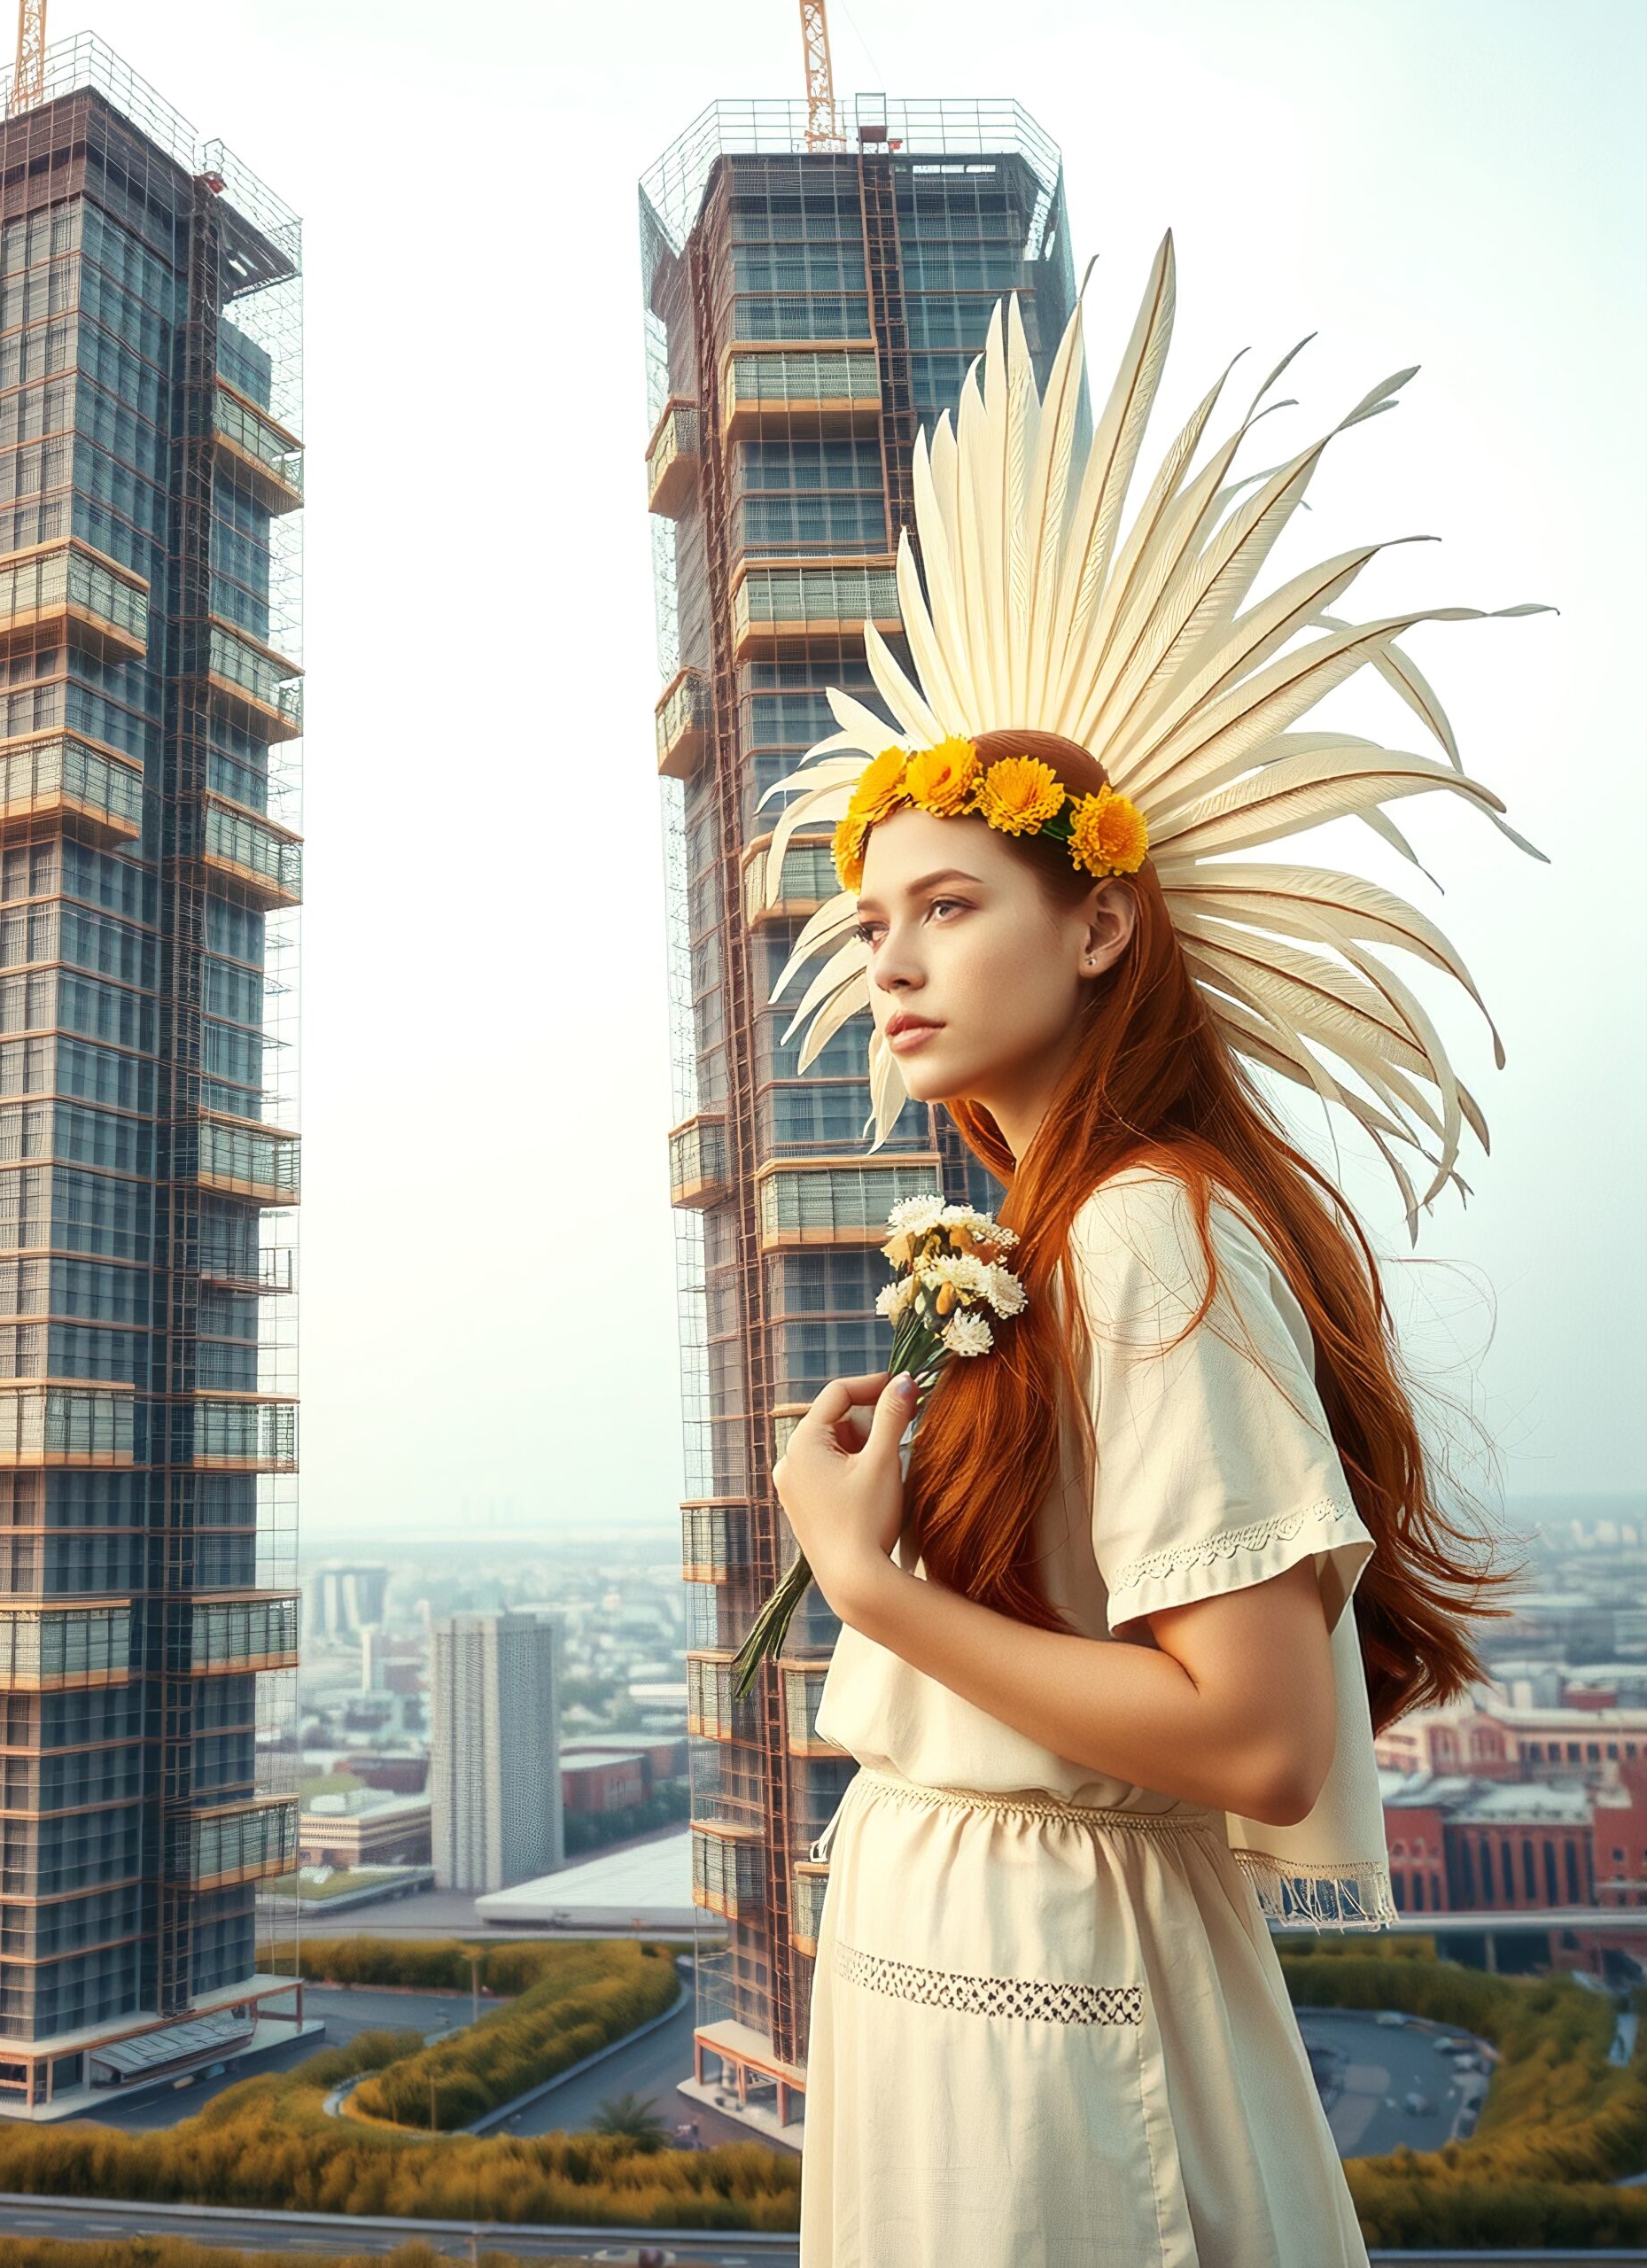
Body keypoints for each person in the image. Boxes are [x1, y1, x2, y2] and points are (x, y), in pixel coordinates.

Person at [759, 237, 1537, 2265]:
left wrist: (865, 1582)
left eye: (946, 902)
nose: (891, 956)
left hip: (1050, 1966)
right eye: (873, 925)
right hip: (958, 1954)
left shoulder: (1145, 1223)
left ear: (1097, 922)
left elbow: (1259, 1730)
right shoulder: (1059, 1223)